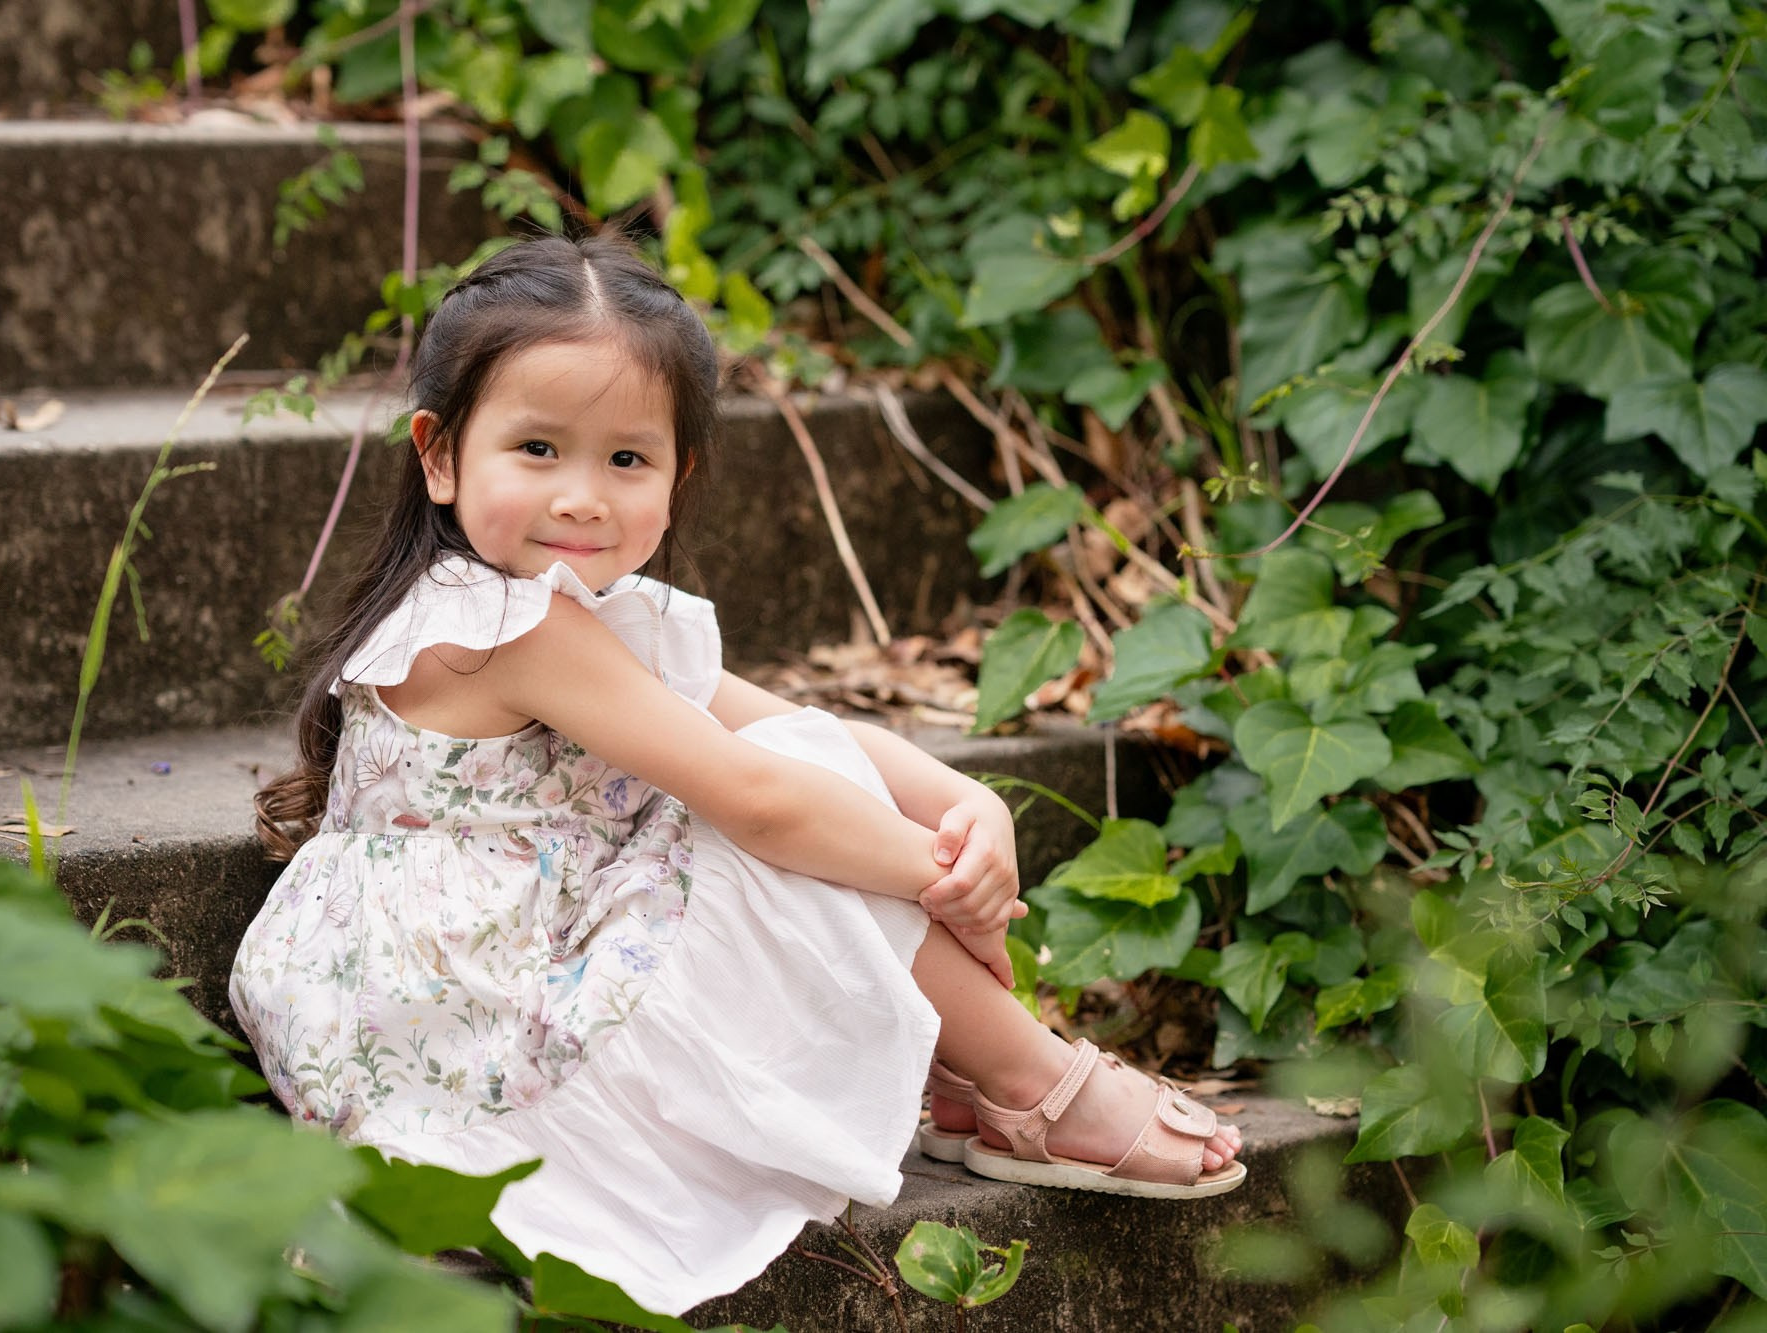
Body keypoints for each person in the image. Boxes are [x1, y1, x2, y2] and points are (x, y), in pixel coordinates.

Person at [230, 232, 1243, 1316]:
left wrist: (970, 804)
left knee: (800, 771)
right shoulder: (504, 623)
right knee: (776, 811)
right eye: (535, 448)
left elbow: (798, 722)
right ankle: (1024, 1081)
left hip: (487, 977)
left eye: (626, 460)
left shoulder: (579, 610)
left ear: (678, 474)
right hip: (468, 1026)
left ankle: (985, 1078)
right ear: (439, 454)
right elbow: (761, 797)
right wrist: (942, 879)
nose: (581, 497)